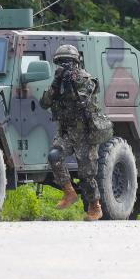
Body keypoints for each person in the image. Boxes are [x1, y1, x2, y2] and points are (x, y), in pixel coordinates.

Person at [39, 44, 104, 221]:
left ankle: (94, 206)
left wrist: (72, 85)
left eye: (68, 62)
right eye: (61, 63)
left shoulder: (85, 79)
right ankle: (69, 192)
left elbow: (83, 102)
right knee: (54, 156)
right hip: (66, 132)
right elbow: (44, 103)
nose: (64, 66)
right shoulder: (58, 81)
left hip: (84, 134)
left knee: (86, 176)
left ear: (76, 63)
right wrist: (56, 83)